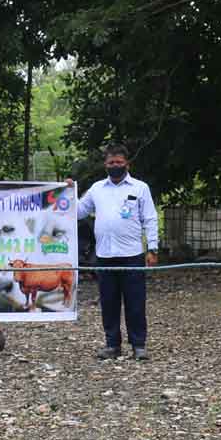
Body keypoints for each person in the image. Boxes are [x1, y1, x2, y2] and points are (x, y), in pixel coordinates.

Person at [73, 144, 159, 360]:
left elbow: (150, 218)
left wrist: (153, 248)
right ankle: (112, 345)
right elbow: (78, 211)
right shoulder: (96, 189)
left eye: (119, 163)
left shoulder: (140, 188)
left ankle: (139, 345)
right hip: (104, 256)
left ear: (127, 164)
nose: (115, 166)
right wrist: (66, 191)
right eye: (111, 163)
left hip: (132, 255)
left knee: (135, 302)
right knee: (109, 303)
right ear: (105, 165)